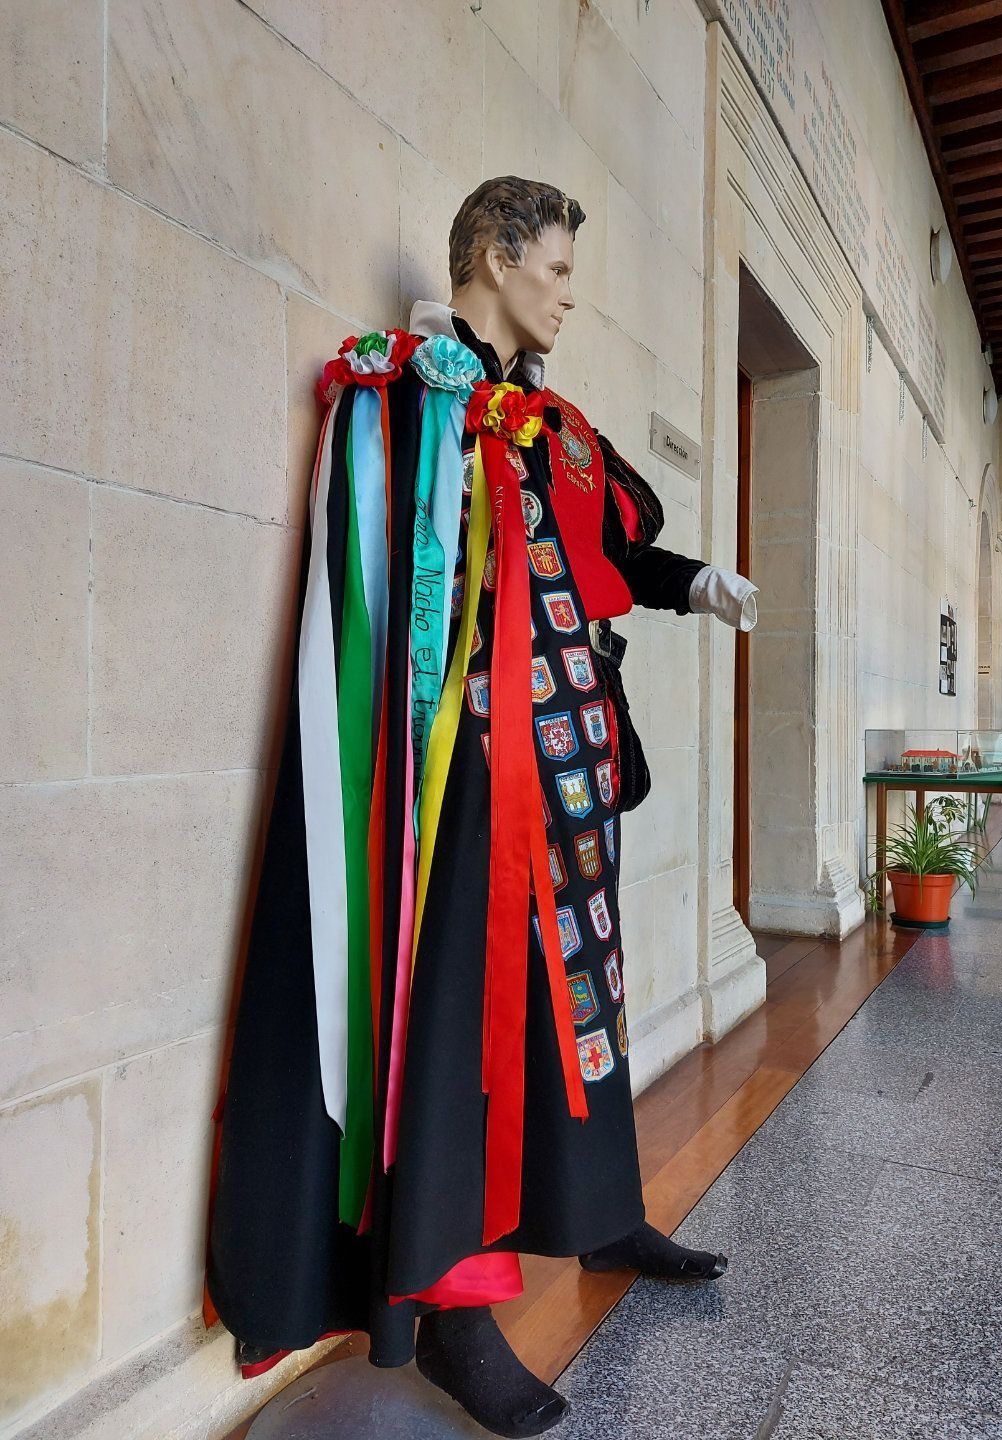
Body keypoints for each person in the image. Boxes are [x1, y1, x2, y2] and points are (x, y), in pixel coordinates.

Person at [204, 176, 758, 1438]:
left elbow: (609, 556)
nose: (568, 295)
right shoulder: (405, 398)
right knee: (462, 1031)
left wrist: (698, 584)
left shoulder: (549, 423)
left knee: (581, 1002)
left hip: (568, 776)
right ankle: (452, 1316)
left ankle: (600, 1212)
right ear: (498, 258)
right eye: (555, 268)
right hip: (459, 781)